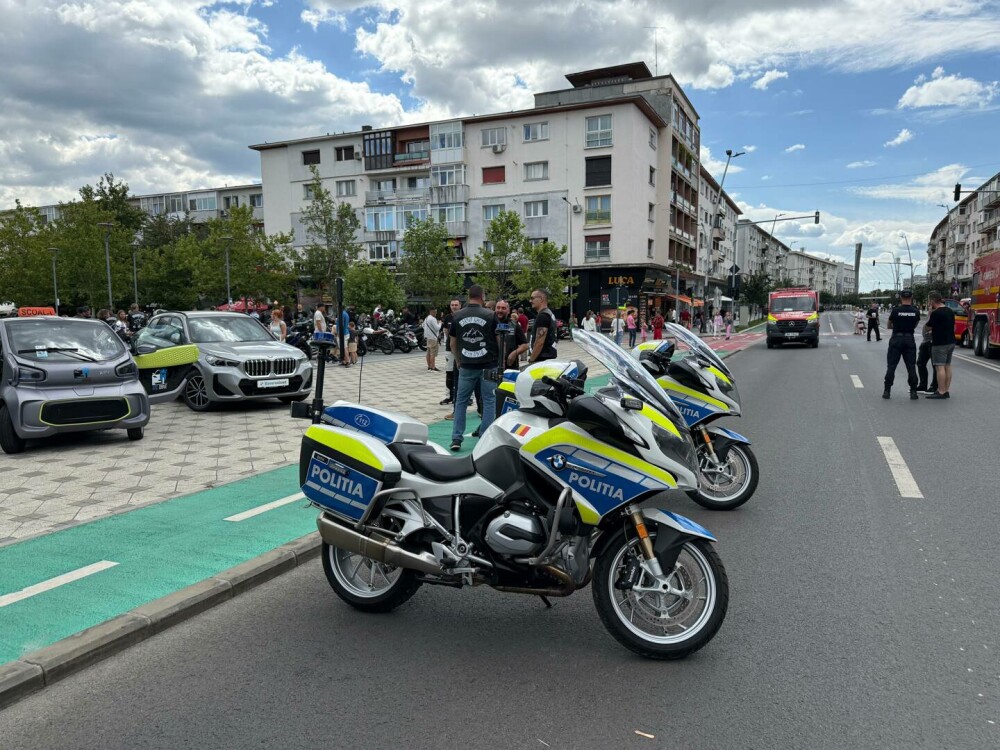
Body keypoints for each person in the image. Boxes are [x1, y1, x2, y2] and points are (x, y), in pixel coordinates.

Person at [449, 285, 498, 452]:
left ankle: (456, 438)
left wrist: (458, 360)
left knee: (461, 402)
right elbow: (499, 340)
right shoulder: (491, 315)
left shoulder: (457, 316)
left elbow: (452, 342)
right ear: (482, 296)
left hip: (467, 364)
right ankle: (485, 438)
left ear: (468, 296)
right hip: (489, 364)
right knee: (489, 401)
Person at [882, 289, 921, 400]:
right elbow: (915, 324)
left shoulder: (896, 310)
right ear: (912, 297)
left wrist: (897, 327)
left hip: (896, 339)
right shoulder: (915, 311)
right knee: (911, 367)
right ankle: (913, 392)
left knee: (891, 366)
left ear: (901, 298)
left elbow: (889, 325)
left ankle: (887, 391)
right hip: (909, 339)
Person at [924, 291, 955, 399]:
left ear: (932, 301)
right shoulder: (950, 311)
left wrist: (929, 314)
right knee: (947, 366)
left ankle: (940, 391)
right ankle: (946, 390)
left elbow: (927, 327)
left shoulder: (936, 313)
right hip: (951, 342)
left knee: (939, 367)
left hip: (940, 343)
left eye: (929, 301)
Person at [441, 298, 462, 414]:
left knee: (462, 373)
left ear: (460, 306)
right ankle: (449, 395)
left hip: (461, 349)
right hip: (449, 349)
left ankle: (467, 397)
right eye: (452, 305)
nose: (454, 307)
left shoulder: (463, 315)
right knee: (449, 373)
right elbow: (445, 331)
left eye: (456, 305)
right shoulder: (448, 318)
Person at [495, 300, 528, 369]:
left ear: (508, 311)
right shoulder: (489, 323)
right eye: (498, 307)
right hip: (492, 365)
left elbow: (525, 345)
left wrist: (515, 353)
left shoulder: (514, 325)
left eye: (503, 308)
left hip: (511, 366)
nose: (500, 310)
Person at [528, 288, 557, 363]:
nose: (530, 301)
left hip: (542, 360)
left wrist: (532, 359)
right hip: (548, 358)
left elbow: (539, 342)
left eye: (532, 298)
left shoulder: (543, 316)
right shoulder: (549, 313)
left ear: (541, 299)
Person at [915, 314, 939, 395]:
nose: (929, 306)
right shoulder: (930, 315)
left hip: (933, 342)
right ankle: (922, 385)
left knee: (935, 365)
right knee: (920, 363)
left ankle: (934, 386)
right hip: (925, 341)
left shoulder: (938, 314)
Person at [423, 306, 441, 371]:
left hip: (428, 337)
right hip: (433, 338)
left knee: (428, 352)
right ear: (431, 311)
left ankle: (429, 366)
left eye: (436, 312)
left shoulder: (426, 318)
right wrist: (440, 324)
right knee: (432, 353)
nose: (435, 313)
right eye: (434, 312)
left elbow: (423, 326)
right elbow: (437, 328)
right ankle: (433, 367)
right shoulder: (433, 319)